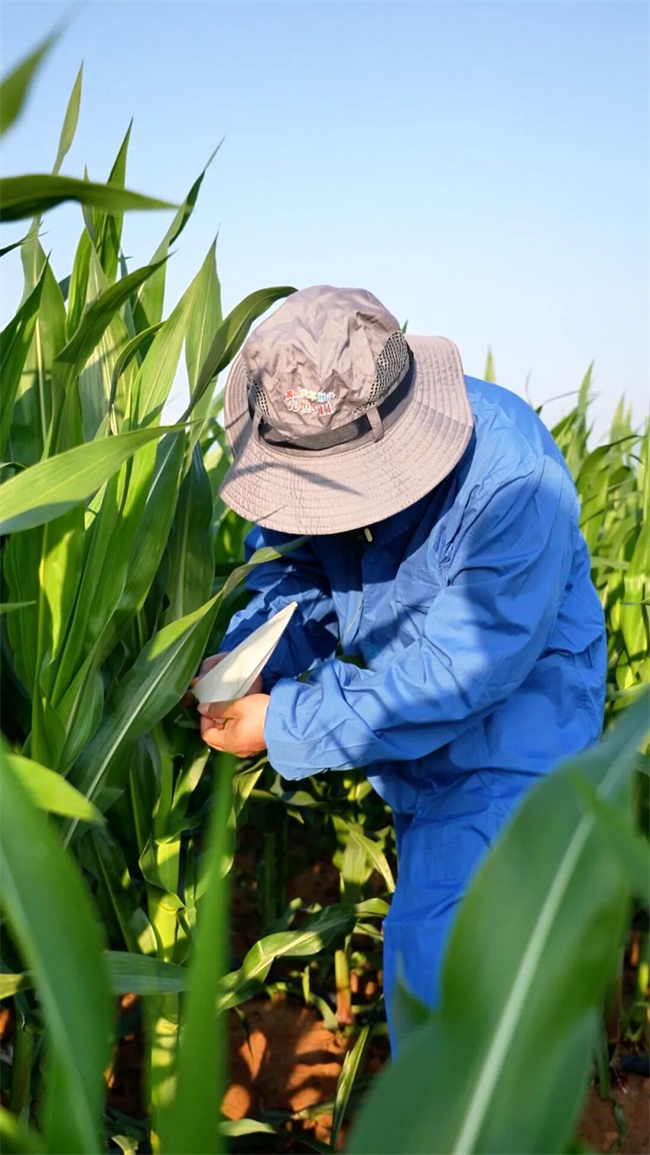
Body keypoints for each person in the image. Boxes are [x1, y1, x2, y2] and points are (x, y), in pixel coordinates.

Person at [194, 285, 606, 1046]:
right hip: (403, 729)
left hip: (516, 734)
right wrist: (253, 659)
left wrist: (285, 719)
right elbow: (290, 572)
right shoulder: (309, 446)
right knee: (455, 945)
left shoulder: (514, 479)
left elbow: (461, 669)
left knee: (442, 970)